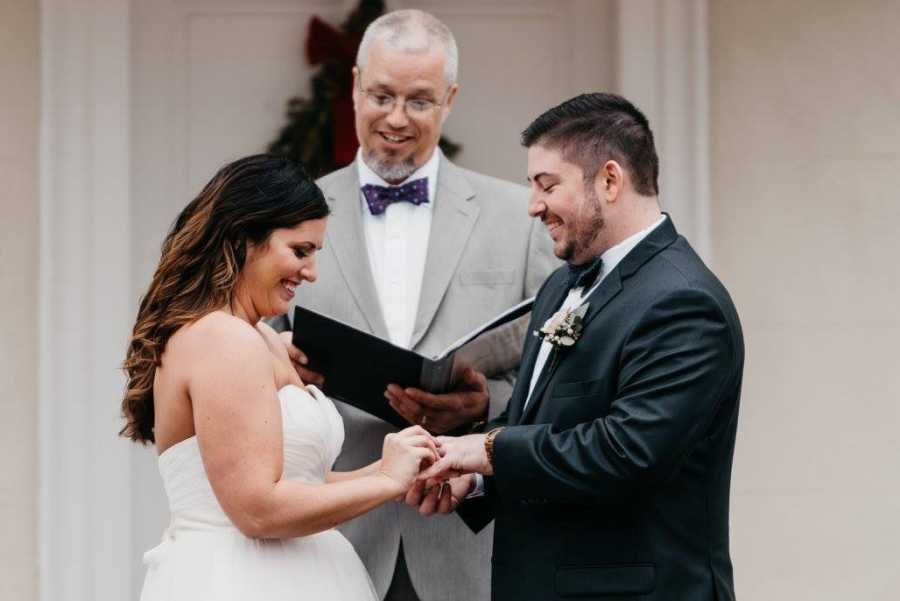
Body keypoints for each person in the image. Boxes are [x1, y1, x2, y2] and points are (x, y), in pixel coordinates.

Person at [410, 93, 745, 601]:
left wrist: (488, 450)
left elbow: (627, 452)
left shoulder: (684, 302)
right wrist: (475, 480)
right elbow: (542, 423)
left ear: (610, 181)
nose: (533, 206)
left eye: (548, 185)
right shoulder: (559, 287)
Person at [275, 9, 557, 601]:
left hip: (466, 541)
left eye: (419, 101)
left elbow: (560, 380)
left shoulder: (520, 220)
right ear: (353, 85)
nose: (396, 119)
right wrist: (281, 369)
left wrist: (487, 402)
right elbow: (245, 358)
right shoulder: (288, 216)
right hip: (333, 537)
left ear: (450, 99)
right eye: (381, 95)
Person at [121, 154, 440, 601]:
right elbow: (257, 510)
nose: (311, 272)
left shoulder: (262, 339)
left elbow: (298, 483)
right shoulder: (221, 338)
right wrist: (385, 482)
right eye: (300, 251)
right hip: (240, 580)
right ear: (246, 238)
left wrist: (390, 471)